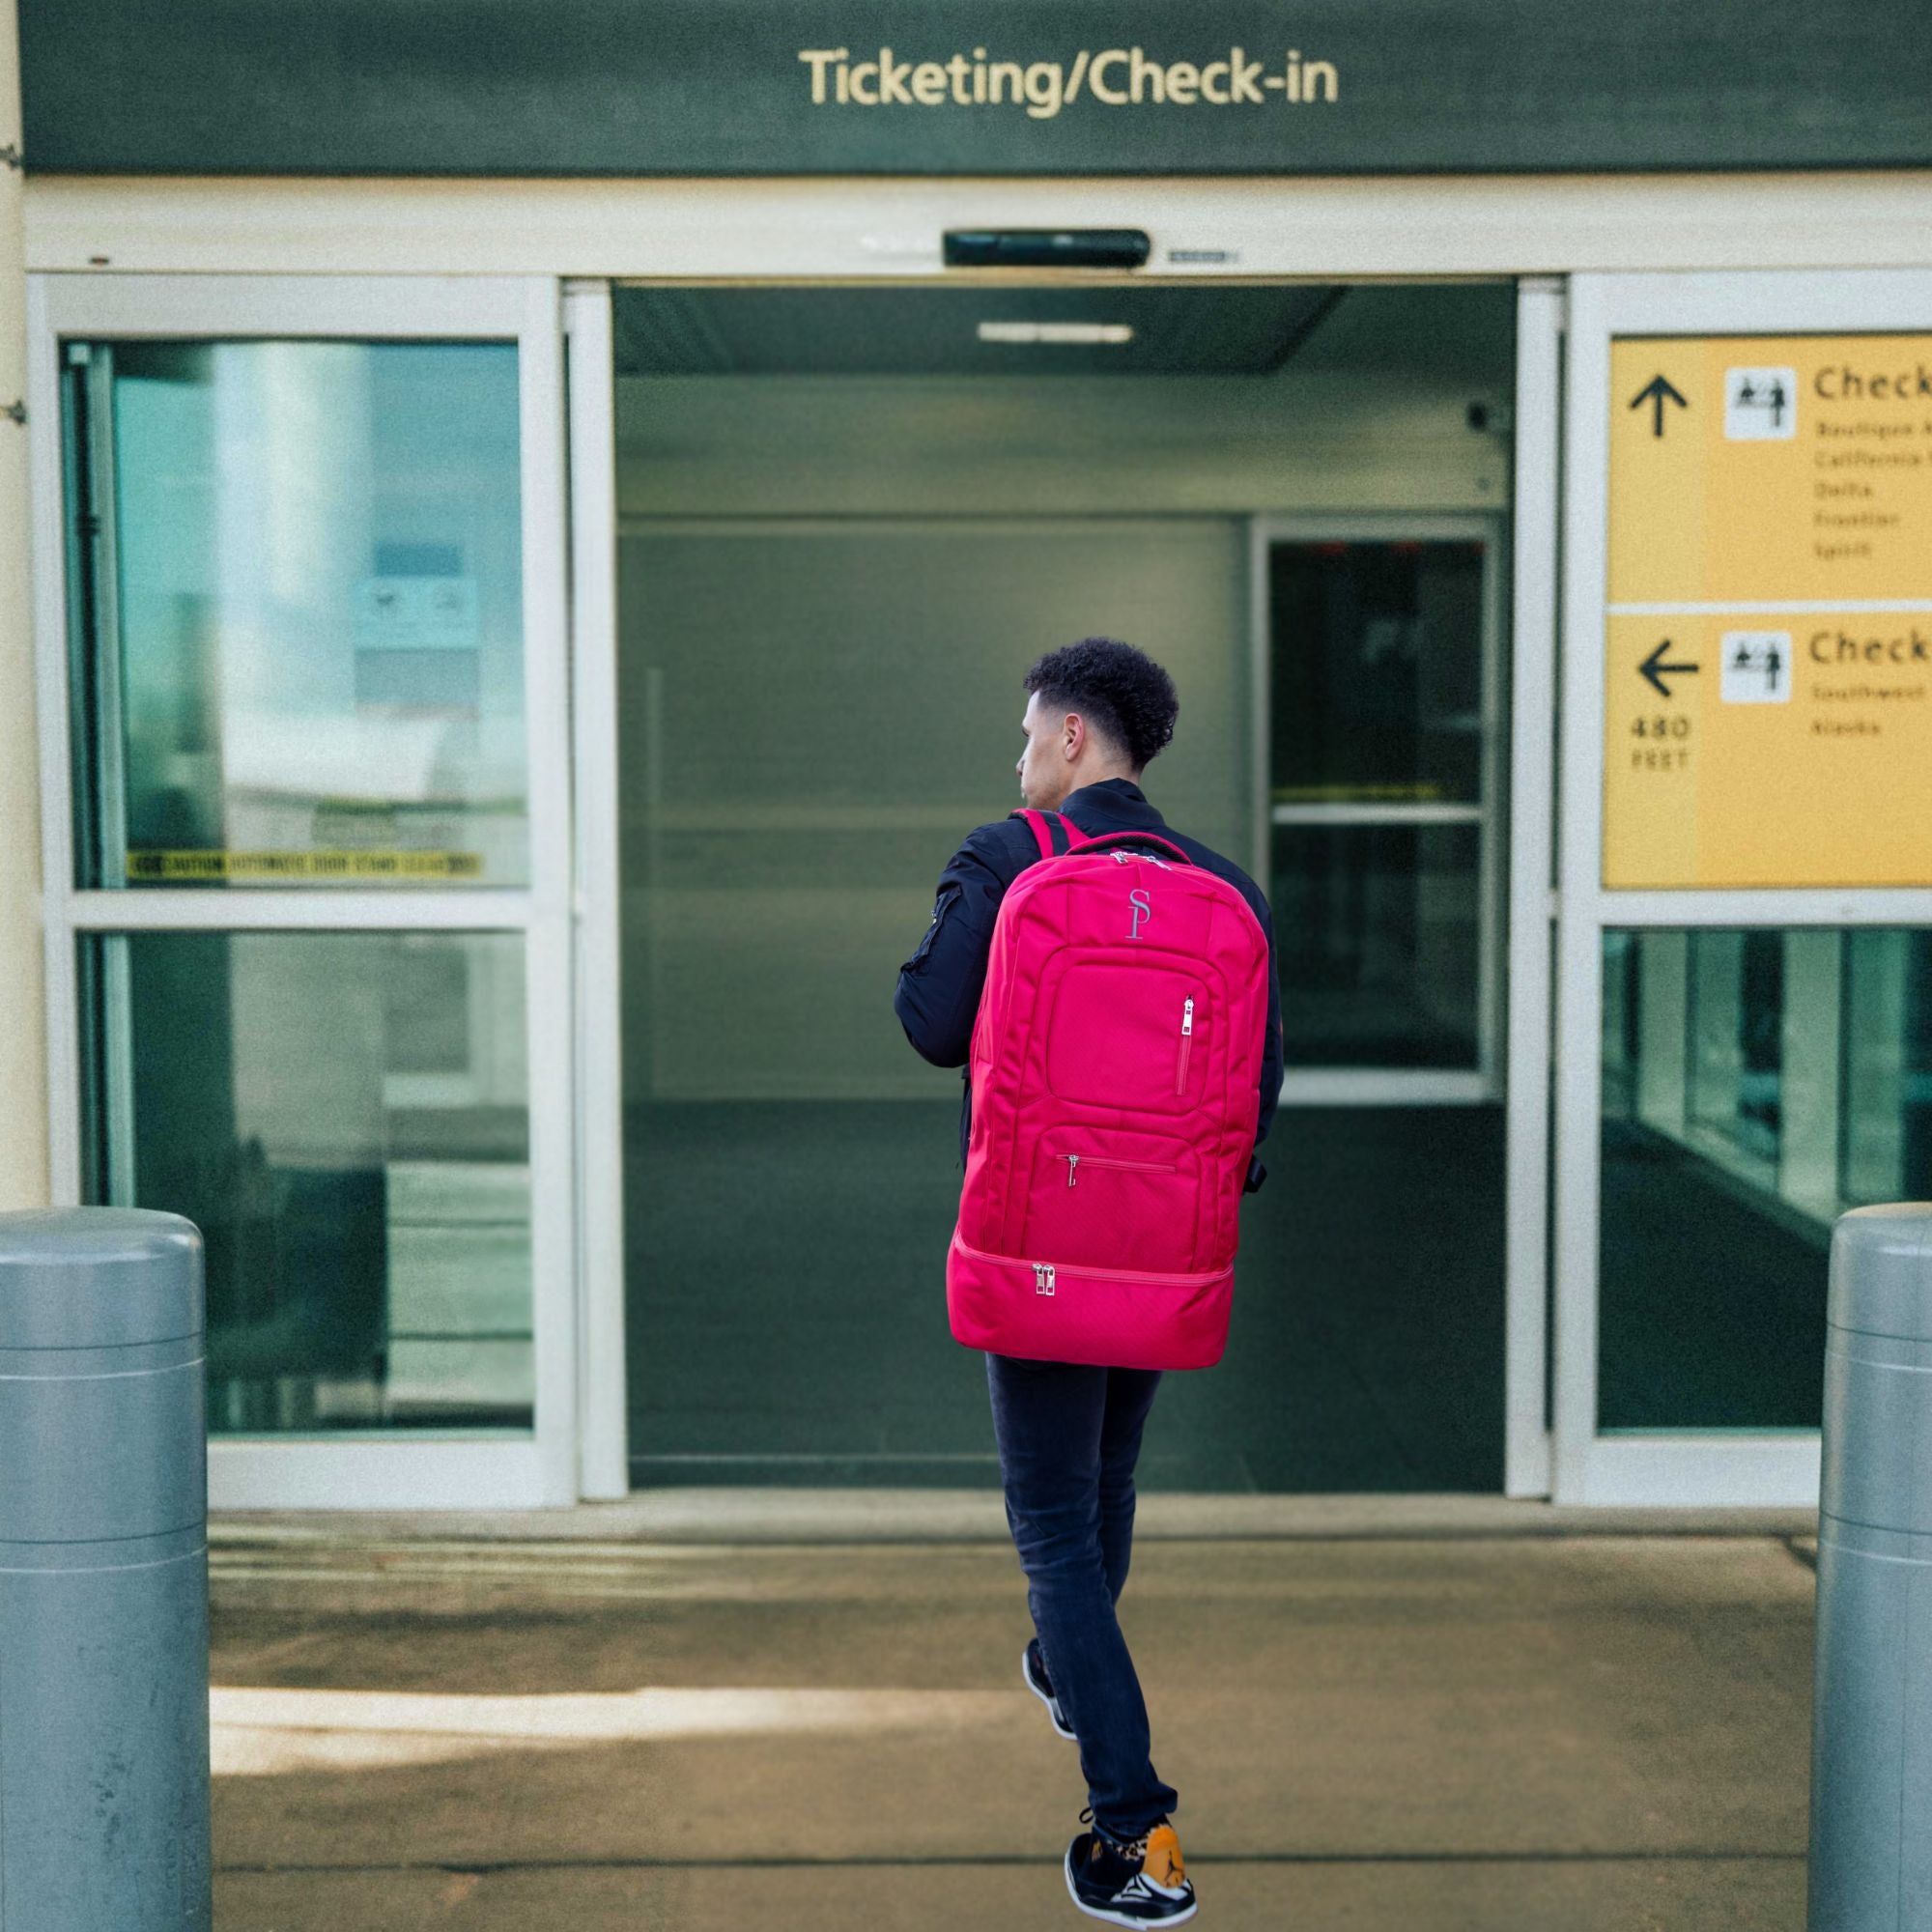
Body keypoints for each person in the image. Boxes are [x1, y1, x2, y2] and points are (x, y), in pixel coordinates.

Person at [894, 637, 1284, 1925]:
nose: (1019, 761)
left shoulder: (1011, 855)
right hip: (1163, 1254)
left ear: (1071, 740)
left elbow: (931, 1025)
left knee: (1052, 1530)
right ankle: (1071, 1663)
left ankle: (1137, 1834)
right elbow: (1257, 1107)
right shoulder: (1225, 888)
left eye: (1026, 738)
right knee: (1102, 1490)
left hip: (1037, 1245)